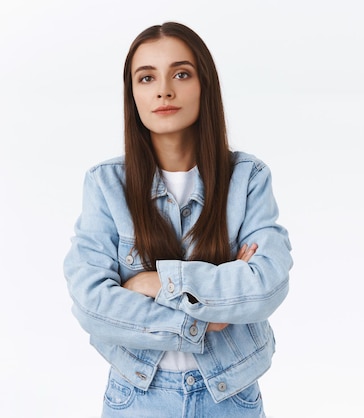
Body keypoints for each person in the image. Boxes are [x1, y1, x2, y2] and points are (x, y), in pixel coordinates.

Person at [63, 22, 292, 417]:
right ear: (132, 93)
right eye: (146, 77)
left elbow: (265, 287)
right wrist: (208, 316)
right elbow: (92, 304)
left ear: (204, 84)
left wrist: (157, 283)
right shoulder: (105, 185)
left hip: (230, 395)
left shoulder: (248, 178)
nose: (163, 90)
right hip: (137, 396)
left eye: (181, 74)